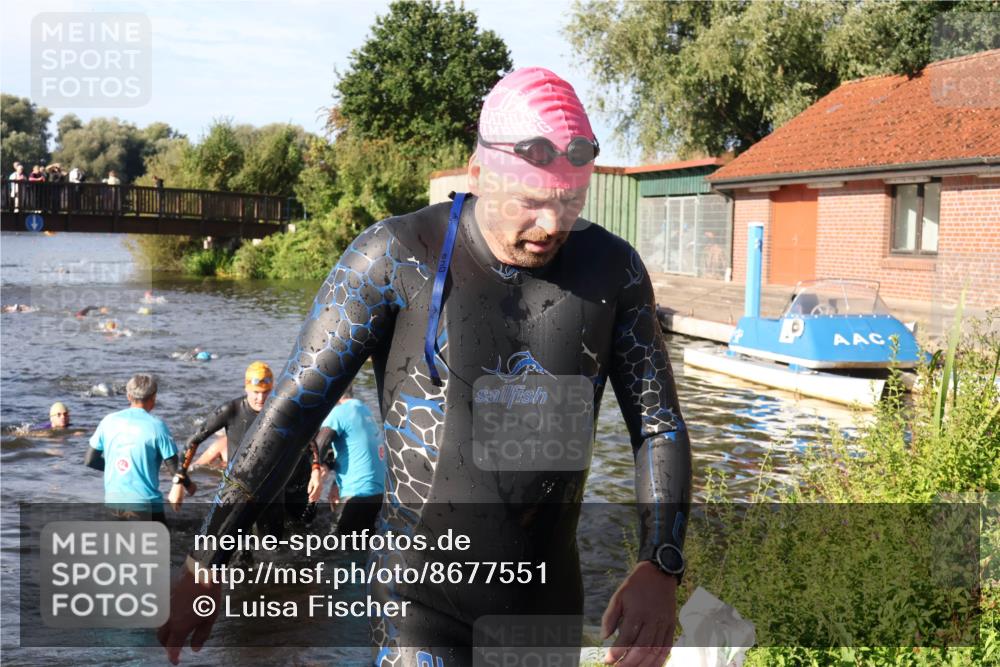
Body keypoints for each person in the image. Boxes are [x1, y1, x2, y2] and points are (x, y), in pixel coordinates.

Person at [160, 67, 691, 667]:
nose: (551, 225)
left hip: (543, 607)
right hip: (419, 600)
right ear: (477, 173)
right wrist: (208, 557)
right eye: (532, 202)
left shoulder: (612, 271)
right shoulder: (392, 257)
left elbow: (659, 426)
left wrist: (660, 561)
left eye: (569, 203)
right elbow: (295, 407)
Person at [168, 362, 323, 534]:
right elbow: (193, 440)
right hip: (237, 487)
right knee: (235, 547)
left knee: (274, 547)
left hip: (271, 488)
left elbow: (308, 439)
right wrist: (179, 481)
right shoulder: (231, 410)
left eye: (266, 392)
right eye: (256, 392)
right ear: (246, 388)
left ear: (273, 390)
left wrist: (316, 472)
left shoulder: (282, 411)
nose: (260, 398)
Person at [84, 374, 191, 523]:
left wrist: (118, 468)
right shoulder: (157, 426)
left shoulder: (108, 421)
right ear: (153, 397)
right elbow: (174, 468)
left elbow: (90, 460)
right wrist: (189, 486)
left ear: (128, 396)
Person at [307, 384, 385, 535]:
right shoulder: (363, 409)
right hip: (378, 495)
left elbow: (318, 447)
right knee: (361, 545)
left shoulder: (338, 413)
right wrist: (336, 484)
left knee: (336, 549)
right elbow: (356, 451)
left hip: (356, 496)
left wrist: (316, 475)